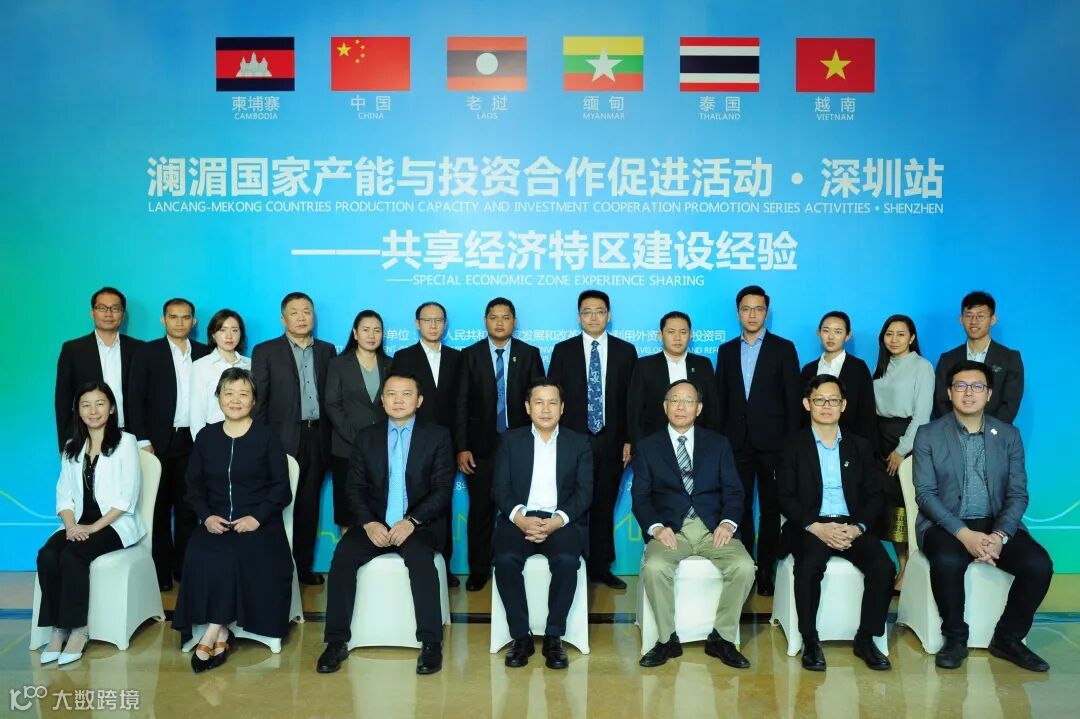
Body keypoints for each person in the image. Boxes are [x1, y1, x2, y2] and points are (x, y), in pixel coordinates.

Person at [914, 360, 1053, 672]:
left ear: (989, 394)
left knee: (1039, 564)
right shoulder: (928, 434)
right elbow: (925, 494)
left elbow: (1018, 493)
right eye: (960, 386)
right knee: (948, 560)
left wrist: (999, 536)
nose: (969, 393)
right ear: (949, 392)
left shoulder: (1008, 435)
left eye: (977, 386)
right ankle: (955, 638)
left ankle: (1008, 638)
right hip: (945, 523)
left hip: (994, 523)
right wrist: (964, 535)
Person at [317, 374, 454, 675]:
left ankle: (430, 643)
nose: (398, 400)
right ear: (382, 400)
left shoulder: (438, 436)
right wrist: (368, 522)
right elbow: (354, 488)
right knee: (342, 557)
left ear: (419, 400)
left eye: (406, 394)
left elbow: (442, 490)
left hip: (419, 524)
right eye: (391, 394)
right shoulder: (367, 437)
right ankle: (336, 641)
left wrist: (412, 521)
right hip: (375, 524)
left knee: (420, 560)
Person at [173, 368, 293, 673]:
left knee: (233, 553)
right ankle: (222, 632)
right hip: (216, 521)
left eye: (243, 394)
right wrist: (206, 516)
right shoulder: (206, 437)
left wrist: (256, 518)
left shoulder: (267, 437)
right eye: (228, 393)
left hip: (259, 524)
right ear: (218, 398)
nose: (235, 400)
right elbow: (193, 486)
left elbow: (281, 488)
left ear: (253, 400)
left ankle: (212, 632)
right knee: (201, 550)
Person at [632, 380, 756, 669]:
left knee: (744, 567)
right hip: (671, 530)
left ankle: (722, 638)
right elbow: (640, 496)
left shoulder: (718, 443)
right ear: (665, 406)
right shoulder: (648, 446)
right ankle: (666, 640)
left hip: (713, 528)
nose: (681, 407)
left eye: (688, 401)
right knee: (654, 567)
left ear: (699, 408)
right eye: (675, 400)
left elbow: (734, 491)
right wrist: (656, 527)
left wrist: (727, 523)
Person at [777, 374, 894, 672]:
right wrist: (816, 527)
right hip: (810, 525)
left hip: (850, 525)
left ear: (843, 405)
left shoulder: (860, 446)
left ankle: (866, 638)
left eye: (833, 400)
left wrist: (857, 528)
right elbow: (784, 496)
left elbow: (875, 496)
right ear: (807, 404)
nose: (826, 406)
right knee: (809, 565)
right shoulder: (792, 445)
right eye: (820, 400)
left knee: (883, 568)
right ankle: (810, 640)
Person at [36, 382, 145, 666]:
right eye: (86, 405)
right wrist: (71, 526)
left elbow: (127, 497)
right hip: (79, 522)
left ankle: (78, 631)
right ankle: (58, 629)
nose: (93, 411)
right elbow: (64, 495)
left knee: (72, 556)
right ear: (78, 411)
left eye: (100, 404)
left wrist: (93, 528)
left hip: (114, 524)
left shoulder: (126, 442)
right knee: (47, 554)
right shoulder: (71, 447)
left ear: (111, 408)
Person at [492, 379, 593, 670]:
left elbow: (585, 491)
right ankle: (520, 637)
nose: (545, 409)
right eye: (538, 402)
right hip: (520, 518)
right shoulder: (510, 441)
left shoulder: (579, 443)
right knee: (505, 560)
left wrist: (555, 522)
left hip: (561, 520)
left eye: (552, 403)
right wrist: (521, 519)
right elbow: (500, 488)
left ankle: (553, 636)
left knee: (566, 561)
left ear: (562, 408)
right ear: (527, 407)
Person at [714, 285, 802, 596]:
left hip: (773, 444)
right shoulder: (726, 351)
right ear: (738, 312)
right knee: (738, 509)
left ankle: (766, 570)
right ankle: (745, 568)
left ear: (766, 312)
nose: (752, 315)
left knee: (770, 511)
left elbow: (793, 401)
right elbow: (720, 400)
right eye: (746, 309)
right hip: (735, 443)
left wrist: (790, 446)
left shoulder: (784, 348)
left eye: (758, 309)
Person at [547, 290, 637, 590]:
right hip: (573, 441)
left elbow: (632, 400)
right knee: (573, 504)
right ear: (579, 317)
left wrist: (629, 439)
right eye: (587, 312)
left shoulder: (626, 351)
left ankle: (601, 566)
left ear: (608, 315)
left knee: (604, 504)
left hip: (612, 441)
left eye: (599, 311)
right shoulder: (563, 350)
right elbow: (553, 398)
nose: (594, 317)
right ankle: (574, 563)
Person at [454, 297, 544, 591]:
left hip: (521, 446)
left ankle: (518, 564)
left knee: (521, 508)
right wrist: (462, 446)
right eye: (494, 317)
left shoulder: (529, 354)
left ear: (514, 321)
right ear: (485, 321)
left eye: (506, 317)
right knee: (480, 510)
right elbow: (461, 403)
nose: (500, 322)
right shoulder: (470, 354)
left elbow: (539, 401)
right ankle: (479, 570)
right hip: (480, 448)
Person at [252, 292, 335, 585]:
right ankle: (273, 567)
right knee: (276, 504)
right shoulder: (266, 351)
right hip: (280, 437)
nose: (301, 317)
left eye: (307, 311)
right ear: (283, 318)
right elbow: (259, 400)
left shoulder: (327, 350)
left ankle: (302, 568)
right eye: (294, 312)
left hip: (318, 437)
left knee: (309, 506)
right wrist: (260, 442)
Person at [127, 298, 209, 591]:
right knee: (159, 509)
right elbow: (135, 398)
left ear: (193, 321)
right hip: (157, 442)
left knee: (188, 508)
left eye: (185, 317)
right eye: (173, 317)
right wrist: (143, 440)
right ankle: (161, 572)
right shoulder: (148, 352)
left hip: (193, 440)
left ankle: (184, 569)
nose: (179, 322)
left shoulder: (205, 353)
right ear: (163, 320)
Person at [389, 301, 463, 586]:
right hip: (412, 440)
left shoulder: (458, 358)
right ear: (417, 323)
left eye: (439, 320)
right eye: (427, 320)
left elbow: (462, 404)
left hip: (446, 443)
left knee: (442, 502)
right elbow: (396, 401)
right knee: (411, 496)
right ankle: (410, 557)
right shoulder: (403, 356)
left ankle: (444, 566)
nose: (433, 325)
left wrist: (461, 445)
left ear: (445, 324)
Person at [872, 314, 934, 590]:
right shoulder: (880, 367)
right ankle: (901, 565)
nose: (894, 339)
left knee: (905, 503)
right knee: (887, 506)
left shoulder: (922, 367)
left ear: (912, 338)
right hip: (880, 440)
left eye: (901, 334)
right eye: (889, 334)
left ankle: (911, 567)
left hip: (906, 440)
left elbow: (922, 415)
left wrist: (901, 450)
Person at [326, 310, 392, 530]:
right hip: (346, 448)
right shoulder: (338, 364)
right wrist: (358, 439)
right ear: (355, 333)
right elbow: (332, 405)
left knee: (378, 510)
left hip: (383, 448)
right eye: (366, 330)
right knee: (348, 511)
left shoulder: (390, 364)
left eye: (377, 330)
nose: (371, 335)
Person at [55, 287, 144, 449]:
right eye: (102, 308)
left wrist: (144, 439)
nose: (108, 314)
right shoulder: (73, 350)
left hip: (131, 436)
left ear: (123, 314)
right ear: (92, 313)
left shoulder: (139, 349)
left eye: (115, 308)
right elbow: (63, 401)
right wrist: (66, 442)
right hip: (87, 436)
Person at [627, 311, 719, 447]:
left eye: (683, 332)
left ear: (690, 335)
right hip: (654, 442)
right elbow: (635, 410)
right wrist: (638, 446)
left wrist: (711, 443)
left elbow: (712, 408)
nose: (677, 338)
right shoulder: (645, 365)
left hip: (697, 443)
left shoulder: (703, 364)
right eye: (671, 332)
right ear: (660, 335)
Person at [933, 291, 1024, 422]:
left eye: (980, 316)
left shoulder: (1010, 358)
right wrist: (956, 430)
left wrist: (987, 431)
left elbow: (1010, 403)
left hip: (995, 432)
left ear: (993, 319)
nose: (974, 321)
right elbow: (940, 401)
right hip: (952, 432)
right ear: (961, 319)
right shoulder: (947, 359)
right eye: (968, 316)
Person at [799, 311, 876, 443]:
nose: (831, 336)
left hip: (850, 441)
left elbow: (867, 412)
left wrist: (867, 447)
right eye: (826, 330)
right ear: (818, 333)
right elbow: (802, 411)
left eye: (838, 332)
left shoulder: (858, 368)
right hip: (812, 441)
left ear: (848, 335)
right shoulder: (808, 369)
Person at [190, 309, 250, 439]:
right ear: (213, 334)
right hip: (214, 433)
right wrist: (200, 442)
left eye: (234, 330)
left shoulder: (250, 364)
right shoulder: (201, 366)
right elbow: (197, 412)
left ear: (241, 334)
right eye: (222, 330)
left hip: (247, 433)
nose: (229, 336)